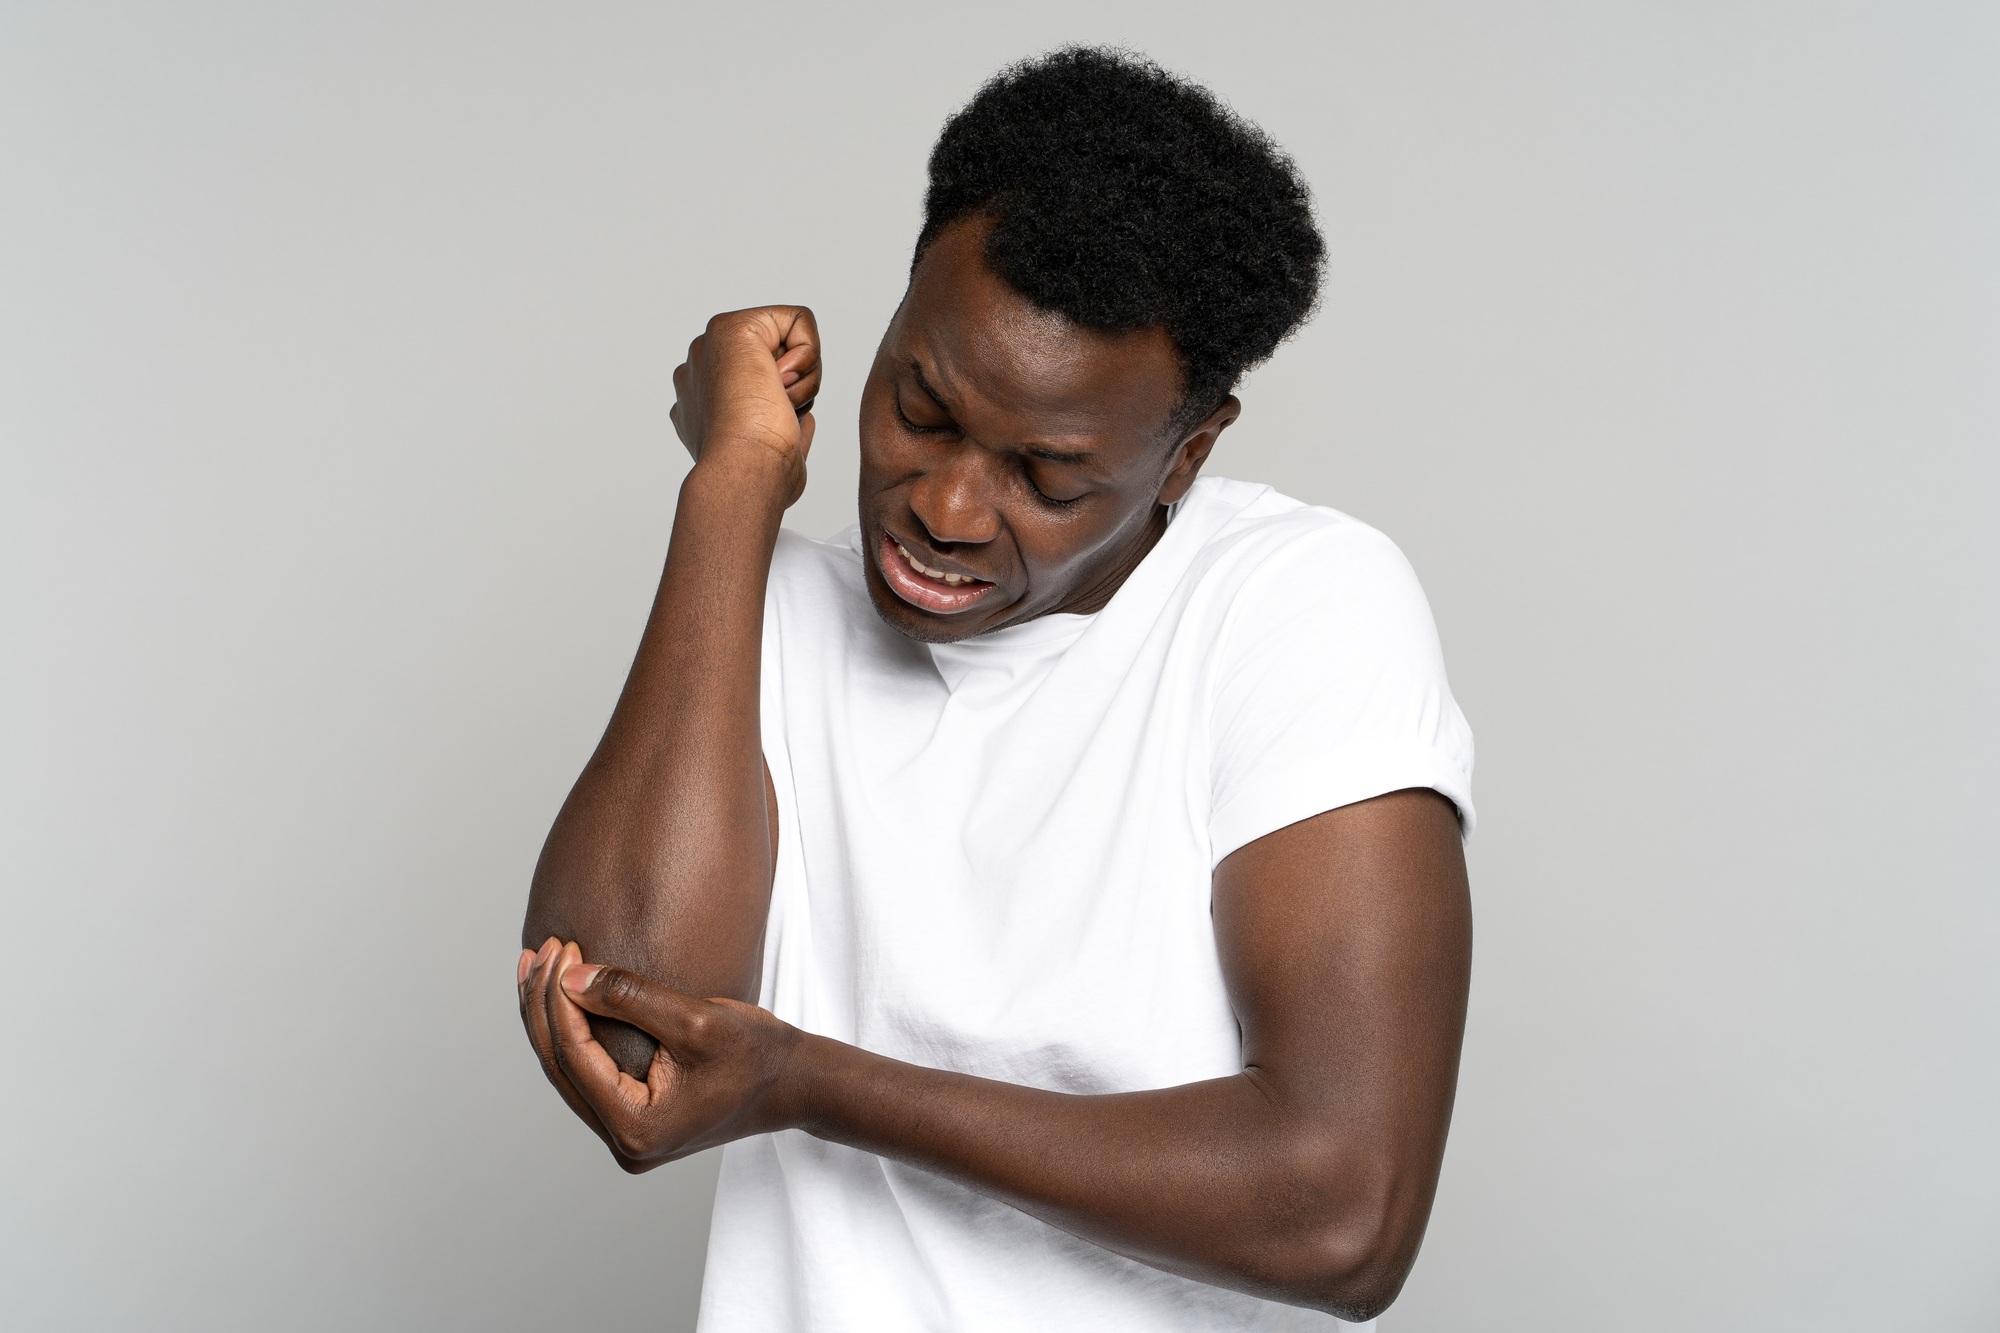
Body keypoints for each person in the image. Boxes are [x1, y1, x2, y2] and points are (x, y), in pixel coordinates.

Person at [518, 47, 1474, 1332]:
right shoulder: (772, 605)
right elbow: (629, 1046)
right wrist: (733, 483)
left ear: (1186, 452)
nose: (944, 508)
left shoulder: (1291, 609)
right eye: (920, 407)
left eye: (1046, 477)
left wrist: (809, 1081)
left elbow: (1340, 1211)